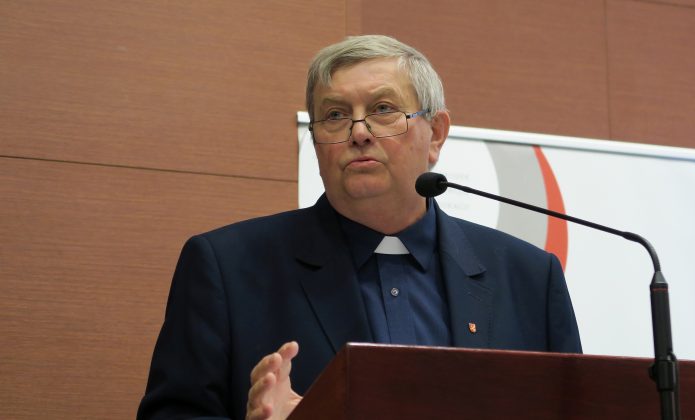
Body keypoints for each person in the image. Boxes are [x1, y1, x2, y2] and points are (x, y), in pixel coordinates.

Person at [137, 34, 581, 420]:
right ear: (316, 140)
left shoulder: (528, 278)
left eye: (383, 109)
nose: (359, 131)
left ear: (436, 133)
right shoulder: (227, 268)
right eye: (334, 115)